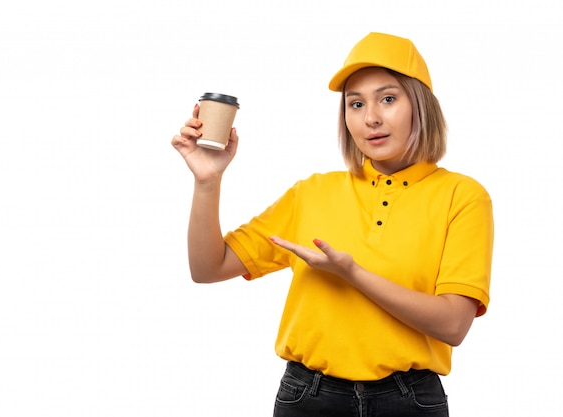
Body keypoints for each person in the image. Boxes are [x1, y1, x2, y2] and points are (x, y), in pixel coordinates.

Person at [171, 32, 493, 417]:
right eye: (355, 104)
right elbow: (207, 268)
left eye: (388, 99)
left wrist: (352, 273)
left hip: (408, 400)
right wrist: (207, 182)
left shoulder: (462, 195)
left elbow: (454, 325)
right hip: (308, 398)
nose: (371, 117)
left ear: (420, 106)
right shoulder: (313, 192)